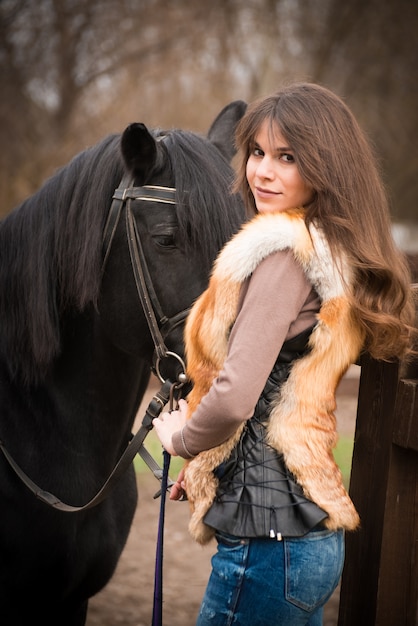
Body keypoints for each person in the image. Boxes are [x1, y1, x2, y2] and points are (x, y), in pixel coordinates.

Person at [153, 82, 415, 626]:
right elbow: (285, 398)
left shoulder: (282, 257)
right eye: (256, 153)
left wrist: (180, 437)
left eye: (287, 157)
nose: (262, 172)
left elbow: (235, 398)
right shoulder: (334, 249)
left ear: (326, 167)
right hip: (310, 542)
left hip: (266, 549)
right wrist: (209, 464)